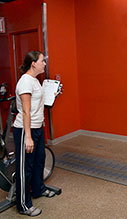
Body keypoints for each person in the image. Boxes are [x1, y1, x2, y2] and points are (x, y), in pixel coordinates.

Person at [13, 51, 55, 217]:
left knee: (39, 161)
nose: (44, 64)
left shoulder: (36, 81)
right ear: (33, 64)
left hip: (37, 127)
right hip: (25, 129)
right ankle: (23, 204)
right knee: (26, 168)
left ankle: (38, 189)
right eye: (42, 61)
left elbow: (38, 105)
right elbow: (25, 111)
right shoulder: (25, 82)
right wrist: (28, 137)